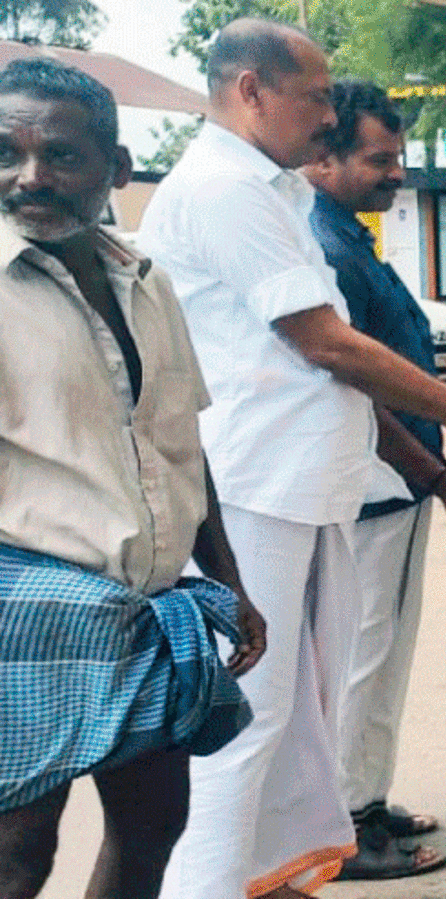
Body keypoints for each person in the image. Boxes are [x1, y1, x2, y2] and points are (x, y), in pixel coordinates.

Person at [141, 20, 446, 897]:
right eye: (317, 96)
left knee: (299, 721)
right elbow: (326, 343)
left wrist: (436, 476)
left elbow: (335, 383)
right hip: (254, 491)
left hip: (306, 489)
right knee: (246, 721)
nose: (328, 116)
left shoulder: (271, 191)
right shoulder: (222, 188)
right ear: (251, 89)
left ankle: (273, 879)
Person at [0, 57, 266, 901]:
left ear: (116, 168)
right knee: (17, 848)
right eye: (6, 152)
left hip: (148, 610)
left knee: (154, 822)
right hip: (26, 615)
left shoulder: (145, 280)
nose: (29, 177)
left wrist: (231, 581)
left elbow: (179, 442)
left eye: (61, 156)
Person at [305, 79, 446, 880]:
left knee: (383, 654)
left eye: (398, 158)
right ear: (324, 156)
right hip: (374, 491)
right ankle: (347, 825)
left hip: (396, 491)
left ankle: (363, 795)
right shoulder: (324, 247)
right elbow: (354, 392)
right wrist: (440, 478)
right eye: (378, 159)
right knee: (363, 656)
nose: (396, 175)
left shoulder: (349, 236)